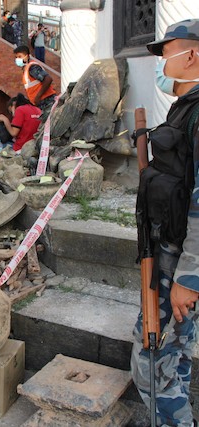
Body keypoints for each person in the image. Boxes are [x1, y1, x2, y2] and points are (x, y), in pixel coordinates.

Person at [130, 19, 199, 427]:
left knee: (153, 366)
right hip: (166, 249)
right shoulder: (185, 107)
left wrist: (189, 277)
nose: (161, 63)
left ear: (191, 55)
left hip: (181, 262)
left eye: (166, 53)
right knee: (173, 358)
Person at [13, 45, 57, 122]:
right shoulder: (27, 70)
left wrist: (38, 97)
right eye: (16, 57)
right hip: (41, 103)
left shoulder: (32, 68)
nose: (17, 59)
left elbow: (48, 79)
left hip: (47, 102)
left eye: (20, 56)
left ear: (27, 56)